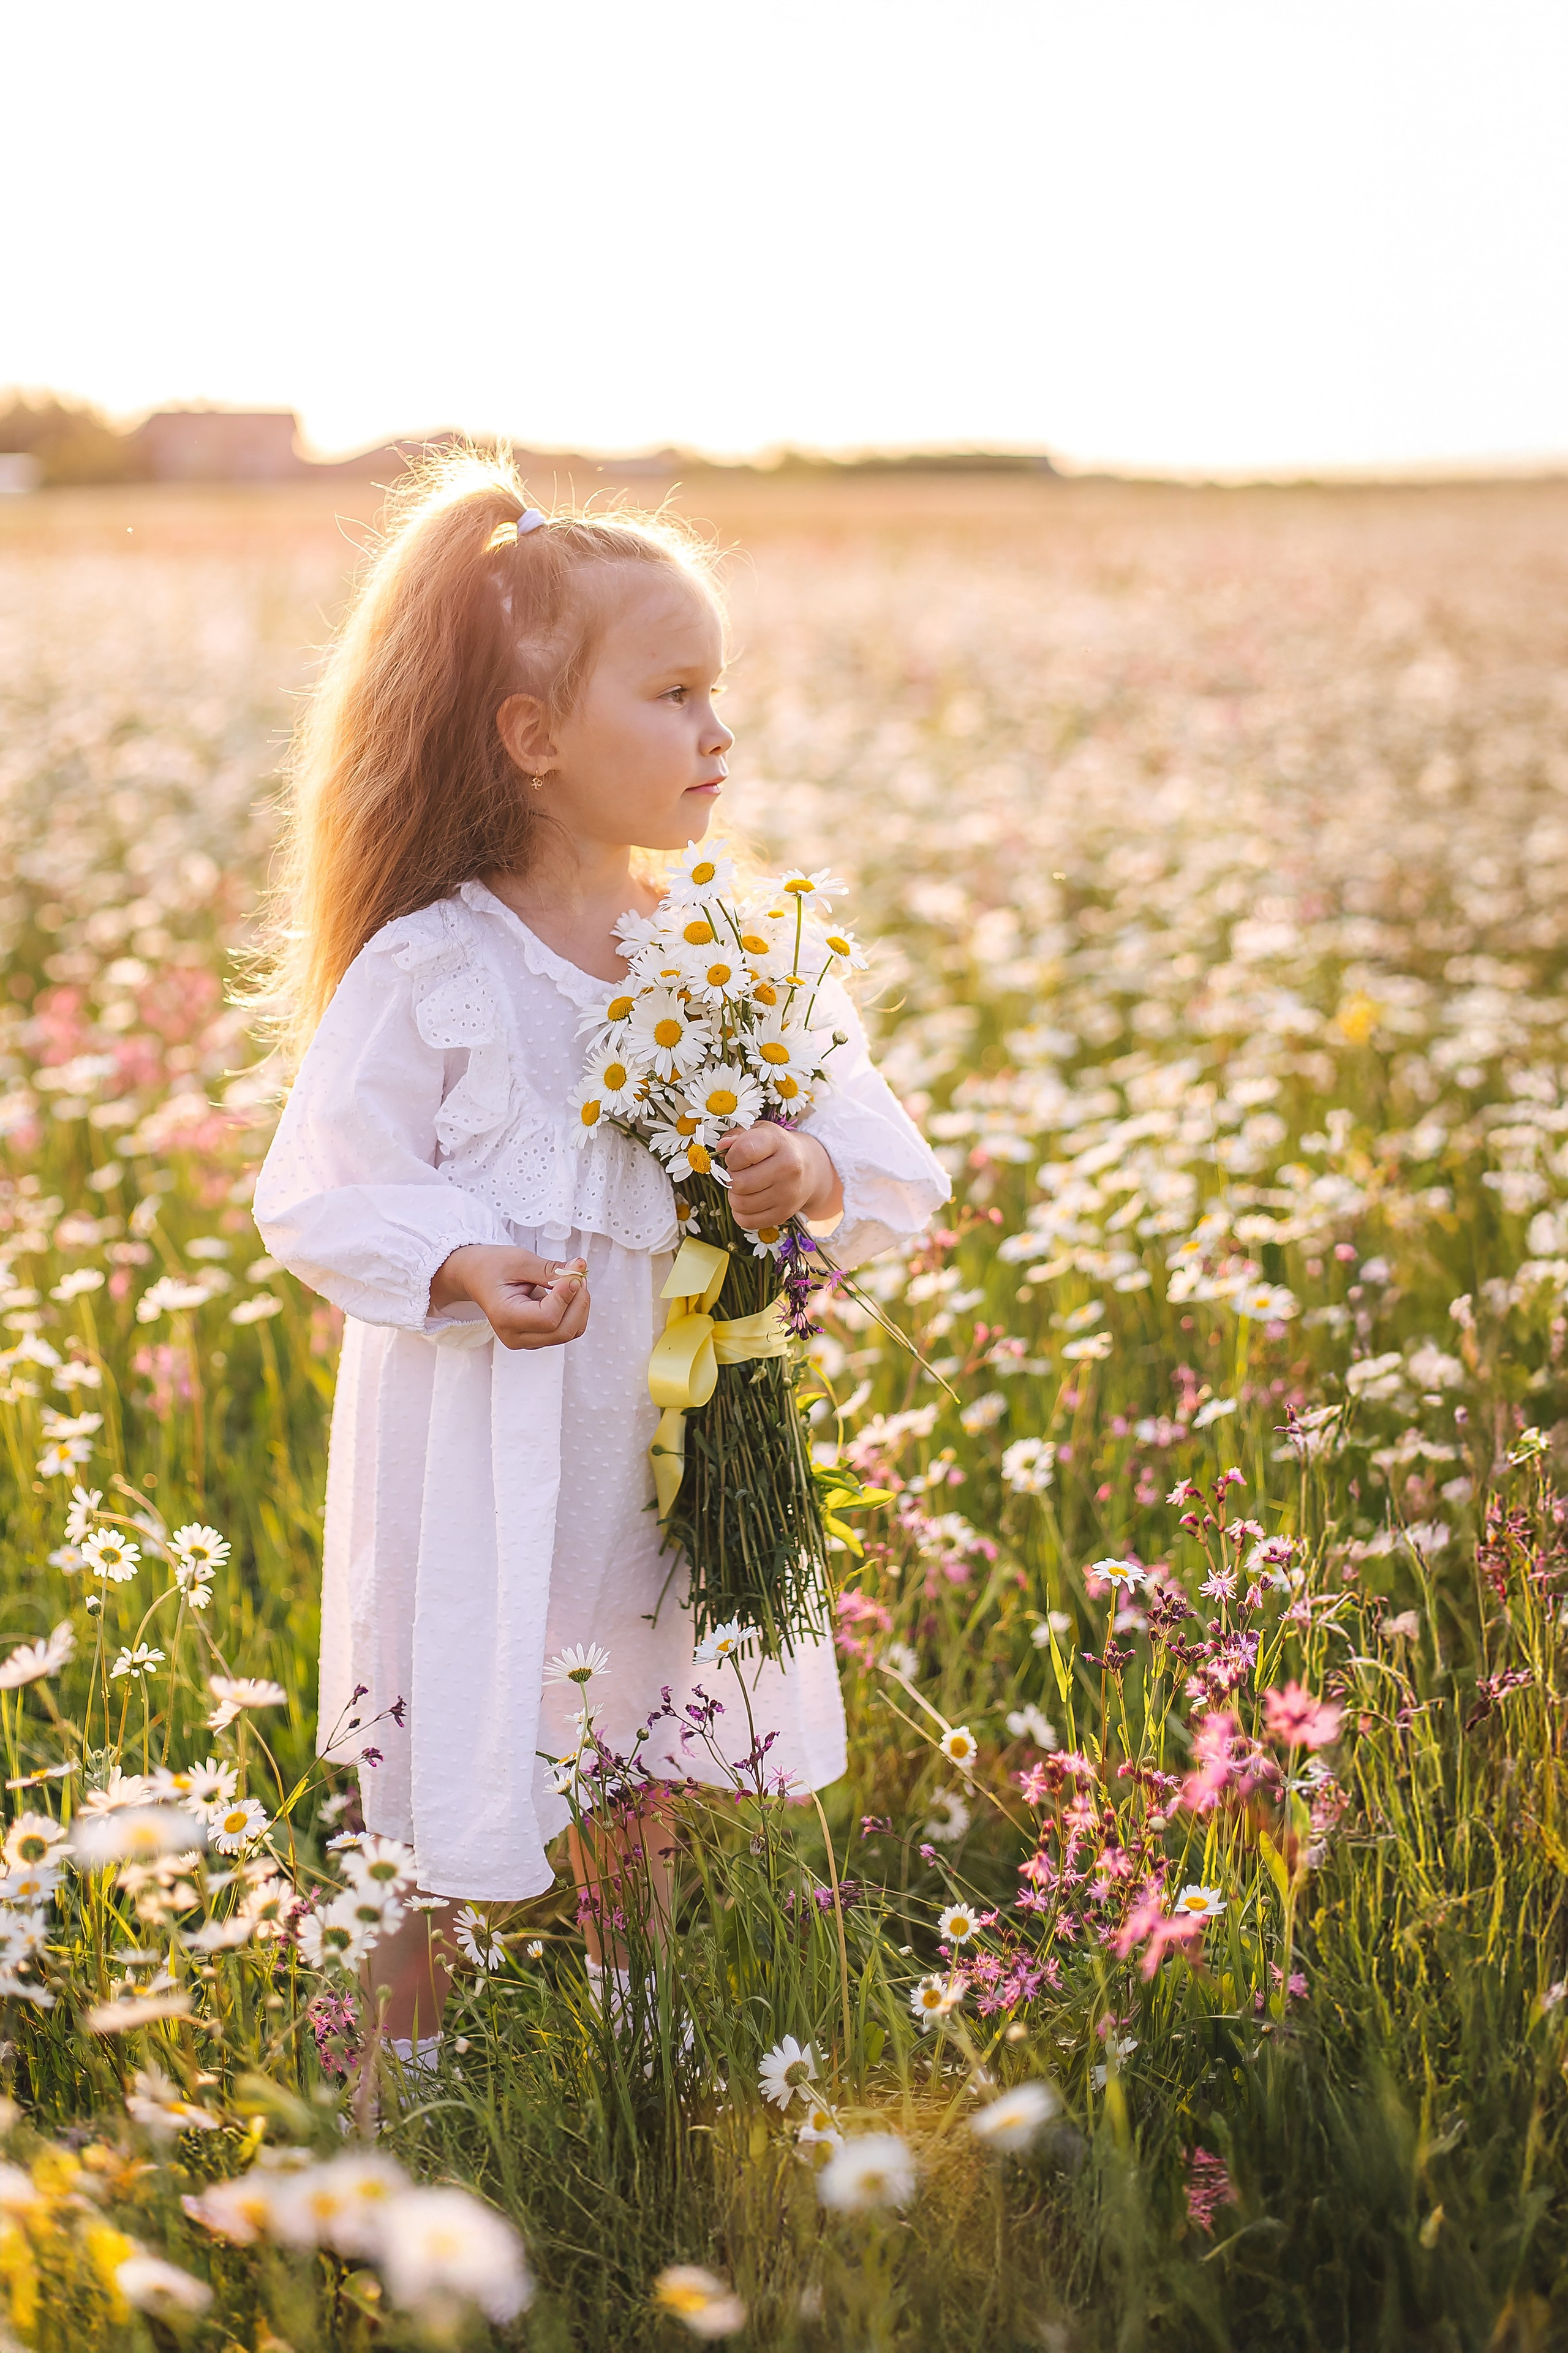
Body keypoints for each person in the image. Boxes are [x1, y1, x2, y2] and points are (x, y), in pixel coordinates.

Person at [252, 451, 949, 2060]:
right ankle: (402, 2090)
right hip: (483, 1446)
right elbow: (322, 1187)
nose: (720, 732)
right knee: (438, 1766)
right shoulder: (435, 966)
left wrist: (810, 1164)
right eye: (676, 689)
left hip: (662, 1444)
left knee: (640, 1738)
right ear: (536, 736)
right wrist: (460, 1264)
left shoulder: (743, 943)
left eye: (722, 691)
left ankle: (645, 2043)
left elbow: (893, 1161)